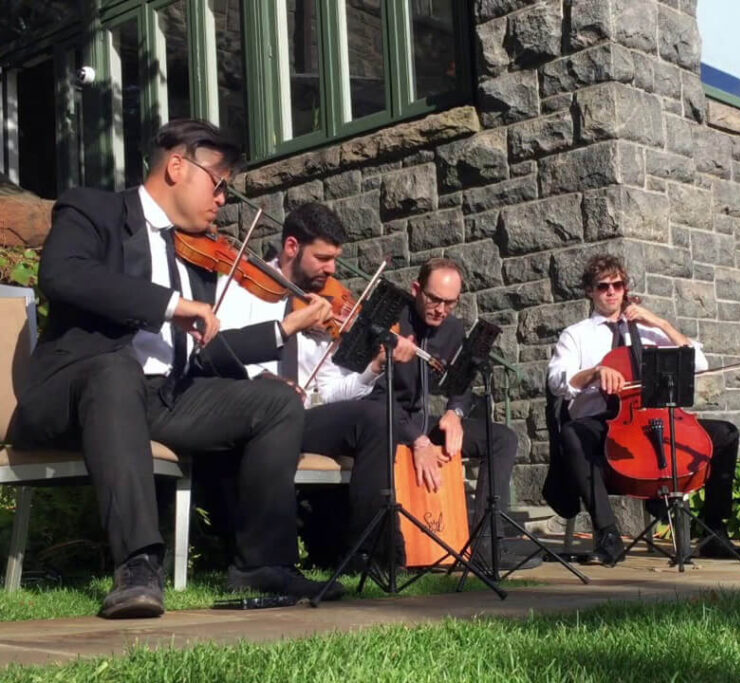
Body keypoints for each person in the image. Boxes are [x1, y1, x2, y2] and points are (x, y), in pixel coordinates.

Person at [9, 119, 341, 619]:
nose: (224, 198)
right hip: (76, 390)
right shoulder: (92, 208)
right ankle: (138, 565)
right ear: (178, 166)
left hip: (164, 397)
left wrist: (287, 327)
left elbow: (207, 353)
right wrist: (171, 305)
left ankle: (264, 564)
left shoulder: (199, 252)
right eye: (220, 182)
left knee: (274, 403)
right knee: (115, 370)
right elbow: (64, 274)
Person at [216, 201, 418, 568]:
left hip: (304, 416)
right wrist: (266, 377)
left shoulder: (320, 305)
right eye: (323, 258)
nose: (333, 269)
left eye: (335, 259)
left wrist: (373, 367)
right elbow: (222, 351)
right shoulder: (245, 286)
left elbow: (328, 391)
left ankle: (367, 553)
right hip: (253, 415)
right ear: (292, 246)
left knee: (376, 417)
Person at [545, 254, 740, 566]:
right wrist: (596, 372)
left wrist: (661, 323)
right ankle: (608, 535)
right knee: (573, 433)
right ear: (591, 291)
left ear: (626, 288)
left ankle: (714, 532)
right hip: (605, 422)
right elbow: (559, 381)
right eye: (603, 287)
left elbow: (699, 363)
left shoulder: (649, 330)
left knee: (725, 434)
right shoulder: (577, 334)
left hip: (656, 418)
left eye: (618, 285)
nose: (612, 292)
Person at [366, 258, 540, 570]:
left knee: (501, 438)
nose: (440, 310)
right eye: (434, 299)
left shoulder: (453, 328)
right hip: (384, 422)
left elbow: (462, 380)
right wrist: (418, 441)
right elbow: (377, 397)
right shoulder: (390, 318)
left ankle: (488, 544)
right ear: (417, 289)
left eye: (450, 302)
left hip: (419, 421)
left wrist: (454, 413)